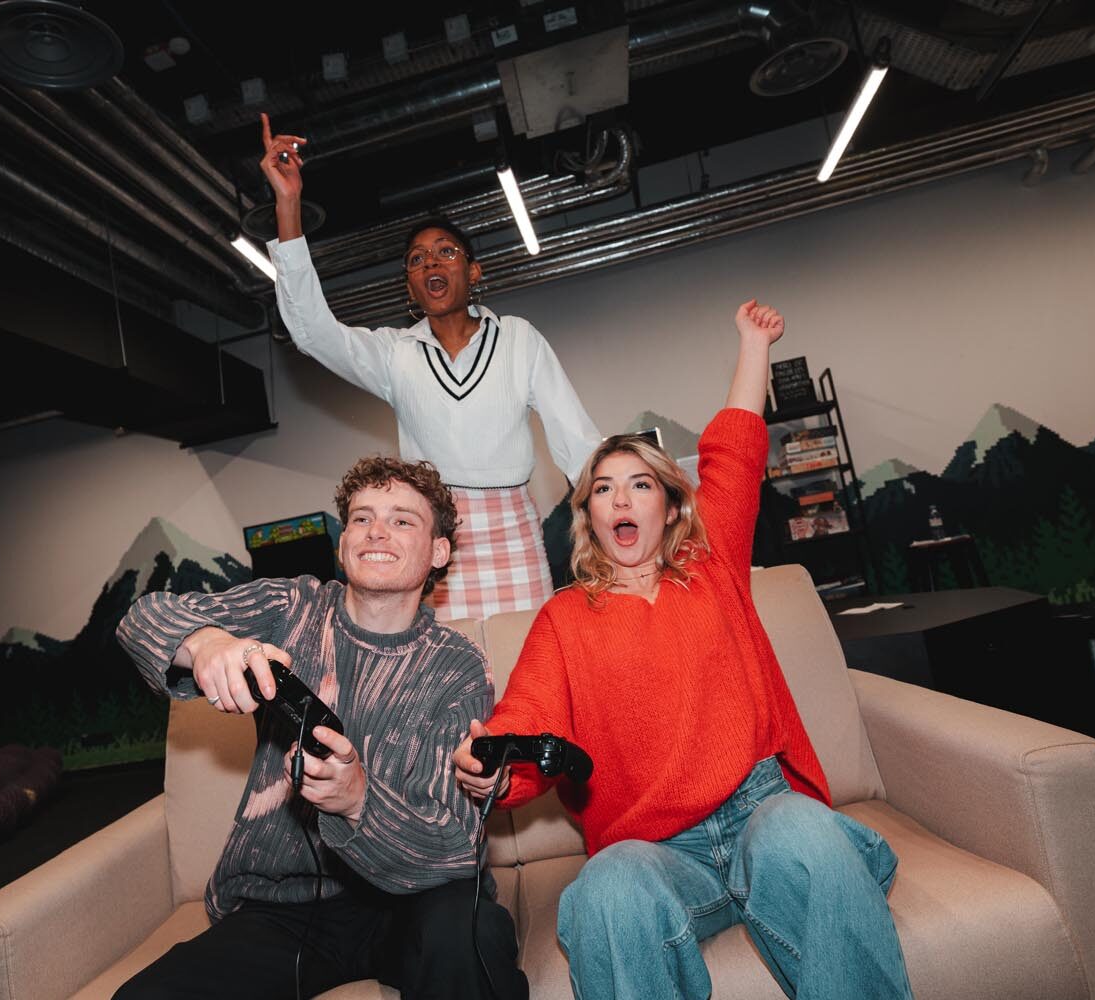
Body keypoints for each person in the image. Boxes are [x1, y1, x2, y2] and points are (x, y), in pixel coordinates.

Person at [450, 301, 913, 1000]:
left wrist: (753, 344)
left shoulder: (713, 566)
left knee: (809, 838)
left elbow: (734, 453)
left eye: (640, 484)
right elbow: (525, 719)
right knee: (607, 890)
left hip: (765, 815)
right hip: (655, 855)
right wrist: (492, 773)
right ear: (590, 518)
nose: (620, 499)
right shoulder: (565, 618)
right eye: (602, 490)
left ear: (670, 506)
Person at [113, 456, 526, 1000]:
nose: (377, 530)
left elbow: (452, 842)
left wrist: (358, 800)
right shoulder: (294, 607)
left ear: (439, 551)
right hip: (283, 906)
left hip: (416, 901)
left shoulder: (457, 665)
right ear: (342, 542)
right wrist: (209, 643)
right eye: (361, 518)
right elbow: (143, 619)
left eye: (403, 520)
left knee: (472, 932)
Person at [258, 113, 601, 620]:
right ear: (410, 287)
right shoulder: (395, 353)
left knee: (528, 666)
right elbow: (310, 330)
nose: (431, 264)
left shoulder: (519, 339)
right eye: (417, 260)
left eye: (445, 253)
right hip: (435, 538)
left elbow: (579, 444)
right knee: (450, 680)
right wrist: (289, 205)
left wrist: (622, 511)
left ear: (473, 270)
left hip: (515, 535)